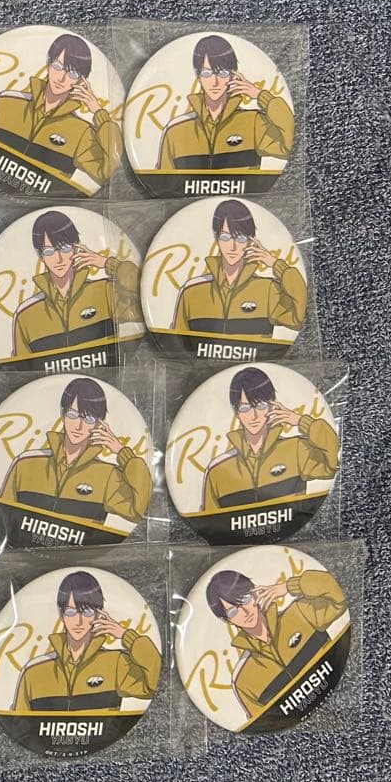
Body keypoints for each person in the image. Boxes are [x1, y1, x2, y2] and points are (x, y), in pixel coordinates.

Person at [0, 33, 122, 186]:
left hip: (43, 199)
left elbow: (108, 173)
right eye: (58, 66)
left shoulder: (81, 132)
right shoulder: (5, 103)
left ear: (81, 81)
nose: (62, 78)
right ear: (48, 65)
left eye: (73, 73)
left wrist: (99, 112)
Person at [0, 378, 151, 523]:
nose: (79, 426)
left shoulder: (107, 475)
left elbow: (140, 511)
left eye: (89, 419)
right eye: (73, 415)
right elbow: (0, 514)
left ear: (99, 424)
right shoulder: (25, 463)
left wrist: (122, 452)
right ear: (63, 414)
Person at [205, 568, 347, 718]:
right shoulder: (242, 681)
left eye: (245, 599)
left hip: (345, 693)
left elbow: (340, 594)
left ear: (255, 592)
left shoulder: (300, 612)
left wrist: (288, 587)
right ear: (227, 621)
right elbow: (267, 724)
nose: (244, 612)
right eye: (233, 612)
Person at [13, 571, 160, 712]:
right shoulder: (33, 671)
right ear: (61, 614)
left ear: (98, 614)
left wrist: (125, 635)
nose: (79, 621)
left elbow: (155, 684)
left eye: (87, 612)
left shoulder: (116, 663)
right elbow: (17, 722)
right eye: (71, 612)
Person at [201, 367, 339, 511]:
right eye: (245, 408)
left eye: (260, 405)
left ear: (272, 405)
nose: (254, 416)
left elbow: (332, 462)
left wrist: (300, 421)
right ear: (236, 412)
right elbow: (208, 519)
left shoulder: (296, 450)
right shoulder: (217, 470)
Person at [11, 210, 138, 360]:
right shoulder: (25, 314)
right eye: (49, 251)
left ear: (76, 248)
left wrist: (106, 263)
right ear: (40, 255)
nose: (59, 259)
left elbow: (143, 292)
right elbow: (21, 367)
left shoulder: (105, 291)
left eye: (65, 248)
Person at [157, 35, 294, 171]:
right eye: (207, 73)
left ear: (232, 75)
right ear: (198, 76)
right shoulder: (175, 130)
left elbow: (290, 144)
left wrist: (260, 95)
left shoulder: (253, 123)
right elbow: (162, 181)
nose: (215, 82)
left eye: (222, 73)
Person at [172, 199, 306, 337]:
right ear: (216, 238)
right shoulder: (191, 291)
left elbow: (300, 318)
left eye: (241, 238)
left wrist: (276, 264)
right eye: (226, 237)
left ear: (251, 240)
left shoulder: (268, 290)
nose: (233, 247)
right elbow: (175, 342)